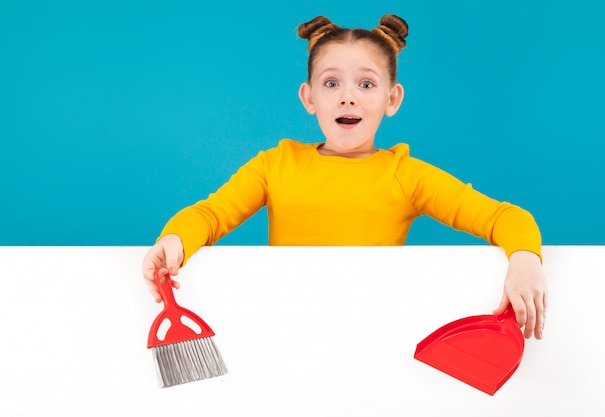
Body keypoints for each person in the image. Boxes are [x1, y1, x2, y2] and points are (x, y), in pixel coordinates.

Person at [142, 14, 547, 340]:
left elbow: (505, 218)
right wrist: (174, 239)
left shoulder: (406, 176)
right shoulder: (274, 165)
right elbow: (211, 215)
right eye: (331, 82)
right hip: (286, 334)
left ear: (392, 99)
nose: (347, 96)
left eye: (366, 83)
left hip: (372, 334)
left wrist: (525, 260)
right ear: (309, 98)